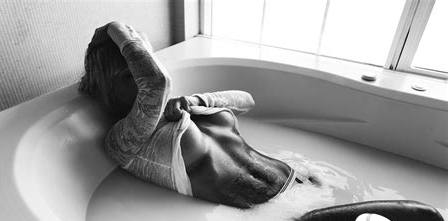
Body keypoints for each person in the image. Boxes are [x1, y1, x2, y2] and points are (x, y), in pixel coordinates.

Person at [79, 22, 317, 209]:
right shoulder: (122, 140)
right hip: (277, 215)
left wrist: (196, 101)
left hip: (305, 181)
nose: (140, 75)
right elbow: (156, 82)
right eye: (127, 75)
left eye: (144, 65)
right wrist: (114, 27)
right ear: (107, 86)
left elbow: (247, 100)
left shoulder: (178, 106)